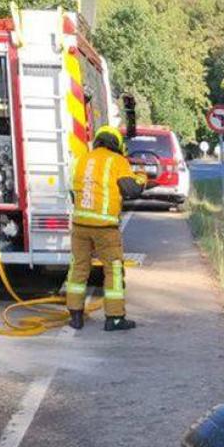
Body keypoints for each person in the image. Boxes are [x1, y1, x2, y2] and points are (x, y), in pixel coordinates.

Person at [65, 124, 144, 331]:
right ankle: (115, 318)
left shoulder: (81, 160)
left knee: (79, 268)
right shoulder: (118, 161)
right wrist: (142, 179)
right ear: (116, 143)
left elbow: (74, 192)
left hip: (80, 225)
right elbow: (131, 190)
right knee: (113, 270)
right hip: (105, 227)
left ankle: (75, 317)